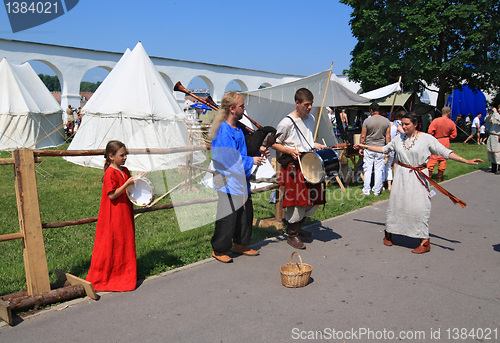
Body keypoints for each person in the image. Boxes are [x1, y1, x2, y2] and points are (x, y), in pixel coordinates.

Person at [354, 113, 483, 254]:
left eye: (406, 124)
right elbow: (384, 149)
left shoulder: (427, 139)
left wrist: (467, 161)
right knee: (396, 206)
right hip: (401, 177)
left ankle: (424, 241)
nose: (403, 127)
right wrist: (364, 146)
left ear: (416, 124)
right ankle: (389, 233)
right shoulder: (399, 139)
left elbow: (445, 152)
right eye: (402, 124)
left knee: (420, 207)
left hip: (418, 177)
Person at [209, 92, 267, 263]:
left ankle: (240, 244)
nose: (244, 108)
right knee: (228, 216)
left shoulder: (238, 128)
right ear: (233, 109)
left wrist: (259, 151)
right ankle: (219, 250)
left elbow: (244, 148)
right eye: (242, 106)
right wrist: (252, 160)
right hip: (225, 179)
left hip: (238, 178)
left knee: (245, 213)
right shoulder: (223, 131)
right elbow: (227, 158)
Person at [272, 88, 327, 249]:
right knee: (298, 202)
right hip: (293, 166)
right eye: (306, 104)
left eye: (311, 104)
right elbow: (273, 143)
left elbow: (308, 142)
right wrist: (289, 150)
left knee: (314, 198)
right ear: (297, 103)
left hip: (310, 163)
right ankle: (292, 234)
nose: (309, 107)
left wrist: (317, 145)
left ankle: (298, 226)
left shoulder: (310, 118)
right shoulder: (286, 122)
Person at [86, 140, 140, 291]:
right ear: (111, 156)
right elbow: (112, 195)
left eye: (125, 155)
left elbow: (130, 190)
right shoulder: (110, 173)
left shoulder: (126, 170)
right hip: (114, 213)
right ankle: (109, 276)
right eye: (122, 155)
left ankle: (125, 275)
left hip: (125, 211)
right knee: (113, 242)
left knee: (125, 241)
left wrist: (138, 180)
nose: (125, 158)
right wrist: (126, 184)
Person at [359, 103, 391, 196]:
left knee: (367, 169)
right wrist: (388, 149)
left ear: (371, 110)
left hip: (369, 147)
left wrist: (361, 146)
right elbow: (388, 136)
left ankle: (366, 190)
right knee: (379, 170)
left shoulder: (367, 121)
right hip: (380, 148)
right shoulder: (386, 121)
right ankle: (377, 191)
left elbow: (363, 135)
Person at [426, 106, 458, 182]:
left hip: (436, 140)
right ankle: (439, 177)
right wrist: (448, 138)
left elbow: (430, 132)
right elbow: (454, 135)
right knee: (443, 158)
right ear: (448, 113)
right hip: (446, 141)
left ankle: (429, 177)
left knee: (433, 157)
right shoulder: (451, 122)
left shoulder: (436, 121)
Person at [382, 111, 404, 191]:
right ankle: (389, 185)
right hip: (392, 148)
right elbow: (404, 132)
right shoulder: (395, 125)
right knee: (388, 167)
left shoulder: (384, 125)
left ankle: (382, 185)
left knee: (382, 167)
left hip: (383, 147)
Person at [485, 107, 500, 173]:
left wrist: (496, 112)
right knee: (491, 152)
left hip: (497, 136)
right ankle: (493, 168)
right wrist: (490, 114)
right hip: (491, 135)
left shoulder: (497, 115)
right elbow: (486, 120)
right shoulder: (495, 115)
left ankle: (499, 169)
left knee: (497, 153)